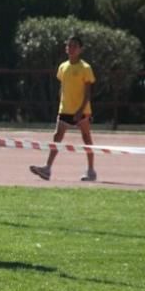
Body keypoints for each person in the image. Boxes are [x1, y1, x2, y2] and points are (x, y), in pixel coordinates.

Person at [29, 35, 98, 182]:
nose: (71, 48)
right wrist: (61, 100)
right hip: (65, 109)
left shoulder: (85, 68)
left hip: (82, 111)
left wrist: (80, 110)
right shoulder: (63, 67)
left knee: (86, 139)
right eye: (69, 45)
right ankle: (47, 169)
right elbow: (63, 86)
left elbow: (87, 93)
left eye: (74, 46)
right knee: (57, 137)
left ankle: (91, 170)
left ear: (80, 49)